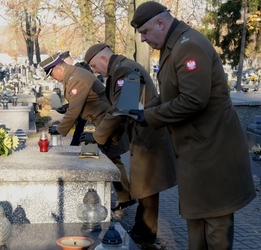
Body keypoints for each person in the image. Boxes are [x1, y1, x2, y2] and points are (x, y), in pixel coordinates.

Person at [128, 2, 256, 249]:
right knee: (197, 220)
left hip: (214, 152)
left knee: (216, 223)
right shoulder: (174, 46)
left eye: (145, 31)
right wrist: (142, 112)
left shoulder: (189, 47)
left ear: (161, 23)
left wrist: (150, 117)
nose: (143, 39)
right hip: (197, 151)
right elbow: (169, 94)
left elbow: (193, 100)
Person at [83, 43, 177, 245]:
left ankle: (145, 232)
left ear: (103, 59)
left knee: (148, 185)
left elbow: (122, 107)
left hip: (148, 134)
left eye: (94, 66)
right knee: (145, 185)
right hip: (144, 133)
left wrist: (98, 137)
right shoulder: (121, 68)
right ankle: (143, 229)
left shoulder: (124, 70)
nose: (94, 71)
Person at [38, 53, 136, 212]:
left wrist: (60, 130)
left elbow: (75, 109)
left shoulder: (75, 78)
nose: (52, 78)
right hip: (101, 120)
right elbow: (80, 102)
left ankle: (126, 197)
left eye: (52, 74)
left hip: (106, 122)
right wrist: (66, 108)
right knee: (112, 158)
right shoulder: (72, 75)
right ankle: (125, 196)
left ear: (59, 68)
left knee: (112, 158)